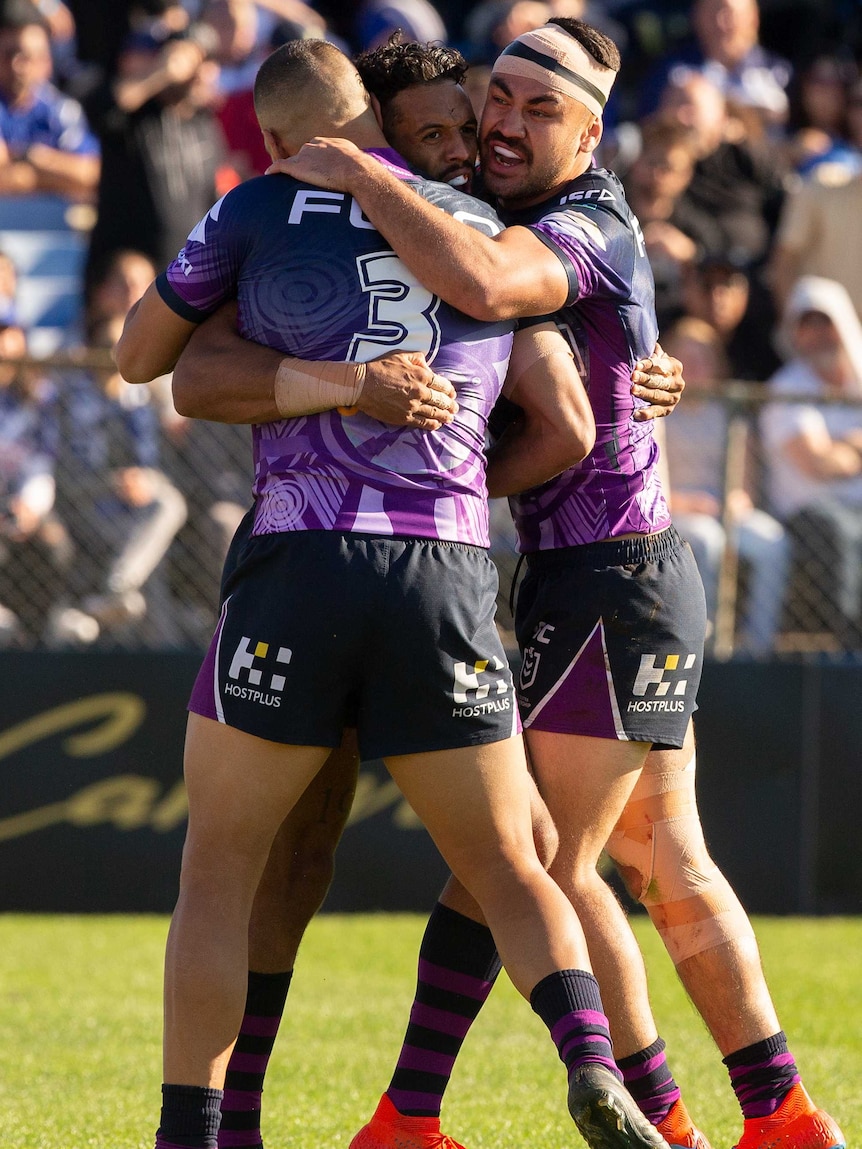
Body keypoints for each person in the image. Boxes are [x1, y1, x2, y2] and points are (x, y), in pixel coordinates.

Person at [274, 17, 845, 1149]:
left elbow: (491, 292)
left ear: (591, 131)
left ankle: (413, 1117)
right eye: (501, 100)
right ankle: (773, 1115)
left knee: (525, 864)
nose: (504, 123)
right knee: (658, 862)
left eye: (541, 110)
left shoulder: (574, 222)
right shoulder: (552, 214)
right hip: (617, 574)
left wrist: (354, 173)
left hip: (607, 582)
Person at [115, 37, 670, 1149]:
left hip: (297, 556)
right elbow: (565, 420)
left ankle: (197, 1132)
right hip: (445, 568)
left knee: (222, 871)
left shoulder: (257, 208)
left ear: (278, 139)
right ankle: (591, 1062)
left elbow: (148, 362)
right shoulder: (491, 232)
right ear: (379, 112)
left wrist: (330, 382)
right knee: (512, 865)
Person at [660, 315, 789, 656]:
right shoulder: (658, 413)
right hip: (676, 513)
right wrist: (689, 503)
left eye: (704, 357)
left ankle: (756, 648)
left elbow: (744, 484)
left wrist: (735, 502)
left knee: (772, 543)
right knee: (707, 539)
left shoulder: (729, 413)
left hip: (723, 509)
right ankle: (706, 645)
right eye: (687, 357)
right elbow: (652, 485)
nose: (696, 366)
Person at [760, 275, 862, 649]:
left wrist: (845, 448)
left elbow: (831, 456)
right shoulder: (787, 388)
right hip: (807, 511)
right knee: (842, 533)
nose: (819, 334)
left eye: (826, 322)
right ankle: (847, 651)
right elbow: (817, 463)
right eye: (808, 325)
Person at [0, 0, 100, 200]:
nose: (17, 66)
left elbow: (92, 174)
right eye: (8, 54)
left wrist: (32, 158)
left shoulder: (60, 110)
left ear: (46, 61)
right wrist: (54, 176)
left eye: (26, 56)